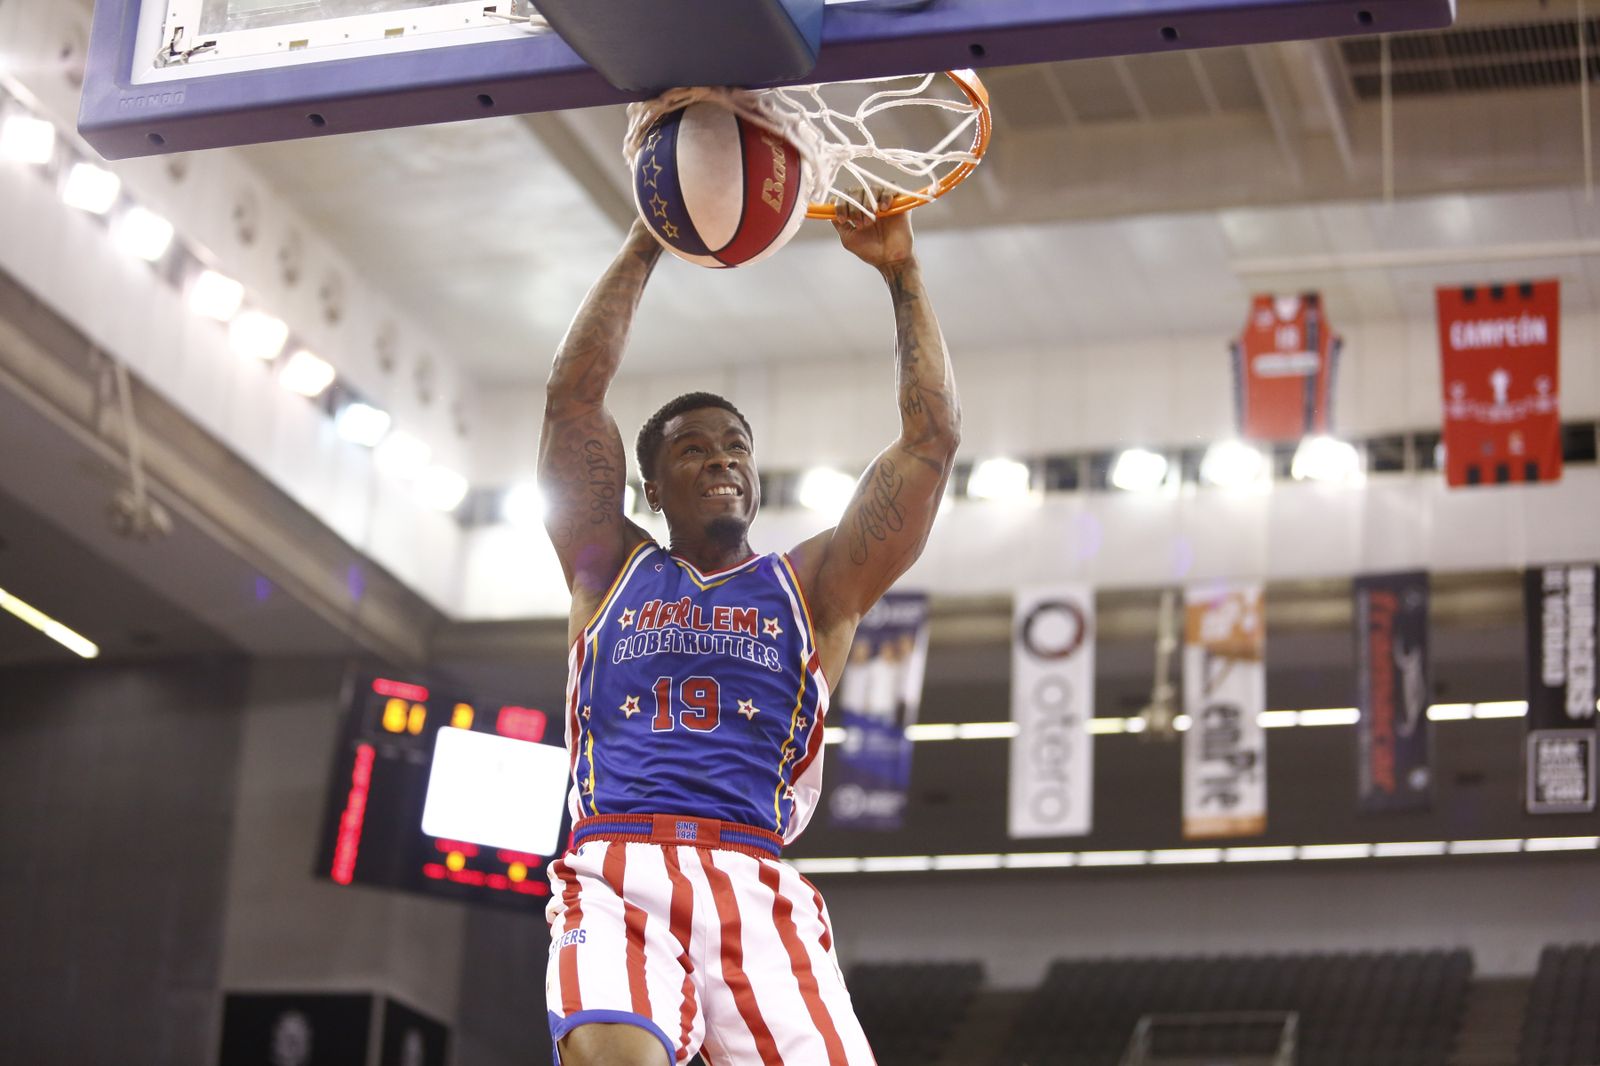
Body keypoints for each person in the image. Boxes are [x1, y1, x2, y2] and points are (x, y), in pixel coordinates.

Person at [538, 192, 960, 1066]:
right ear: (650, 488)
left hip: (755, 879)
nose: (722, 458)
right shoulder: (609, 568)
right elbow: (573, 401)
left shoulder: (810, 587)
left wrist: (903, 274)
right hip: (619, 866)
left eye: (735, 445)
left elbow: (931, 442)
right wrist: (646, 242)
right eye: (693, 449)